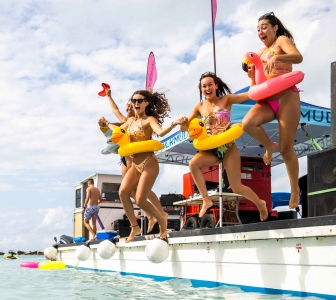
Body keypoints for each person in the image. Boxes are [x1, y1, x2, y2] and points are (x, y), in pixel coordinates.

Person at [179, 72, 268, 221]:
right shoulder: (199, 107)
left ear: (216, 86)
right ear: (201, 89)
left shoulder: (226, 100)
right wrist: (183, 123)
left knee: (236, 187)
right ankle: (206, 200)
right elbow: (185, 128)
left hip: (227, 148)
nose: (207, 88)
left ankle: (260, 204)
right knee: (193, 164)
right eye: (204, 86)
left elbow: (251, 95)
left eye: (209, 85)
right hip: (211, 149)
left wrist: (252, 77)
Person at [100, 90, 183, 242]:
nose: (136, 103)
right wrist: (105, 124)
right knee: (123, 193)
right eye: (134, 100)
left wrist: (174, 123)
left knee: (140, 200)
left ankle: (161, 219)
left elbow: (161, 132)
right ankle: (135, 227)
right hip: (135, 165)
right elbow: (118, 130)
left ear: (146, 103)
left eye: (140, 100)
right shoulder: (130, 121)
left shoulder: (149, 120)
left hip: (149, 163)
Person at [242, 12, 303, 209]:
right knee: (247, 123)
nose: (261, 31)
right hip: (268, 101)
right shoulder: (259, 53)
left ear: (275, 28)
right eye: (258, 29)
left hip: (287, 98)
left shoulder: (281, 41)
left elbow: (298, 57)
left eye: (264, 27)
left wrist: (278, 56)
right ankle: (269, 146)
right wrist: (251, 75)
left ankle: (295, 189)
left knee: (286, 150)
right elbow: (257, 84)